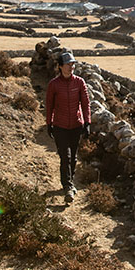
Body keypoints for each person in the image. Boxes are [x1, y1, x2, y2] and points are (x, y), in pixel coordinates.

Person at [45, 51, 91, 203]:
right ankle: (68, 187)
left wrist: (87, 122)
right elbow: (49, 105)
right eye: (68, 64)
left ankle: (68, 182)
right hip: (60, 126)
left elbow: (85, 103)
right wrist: (49, 124)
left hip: (76, 125)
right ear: (60, 66)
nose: (71, 67)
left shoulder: (79, 82)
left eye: (73, 64)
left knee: (73, 158)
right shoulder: (54, 84)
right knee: (66, 157)